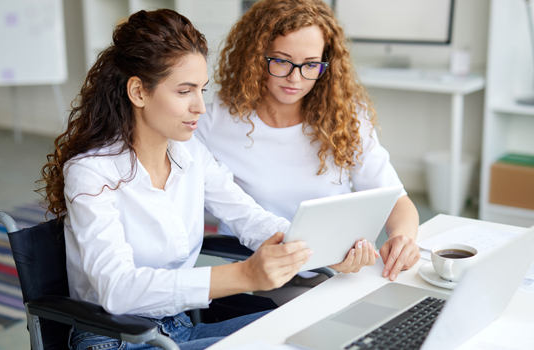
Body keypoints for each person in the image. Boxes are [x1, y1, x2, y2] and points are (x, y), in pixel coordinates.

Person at [37, 9, 313, 350]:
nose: (200, 106)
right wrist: (244, 276)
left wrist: (318, 246)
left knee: (308, 328)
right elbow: (117, 289)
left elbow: (248, 217)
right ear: (138, 92)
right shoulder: (91, 172)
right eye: (185, 91)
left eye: (202, 90)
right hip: (116, 339)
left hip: (178, 328)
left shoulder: (190, 153)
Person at [195, 0, 421, 304]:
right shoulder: (213, 123)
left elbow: (396, 199)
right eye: (281, 61)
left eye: (311, 65)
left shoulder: (346, 117)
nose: (295, 78)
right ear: (255, 56)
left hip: (342, 271)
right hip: (265, 279)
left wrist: (402, 239)